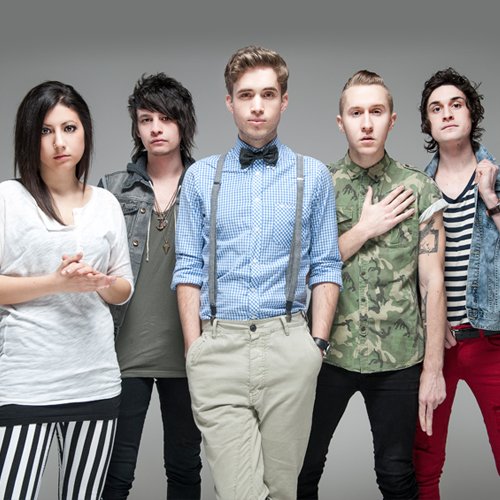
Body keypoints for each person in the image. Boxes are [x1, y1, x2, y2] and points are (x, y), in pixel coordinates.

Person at [172, 45, 343, 500]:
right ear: (230, 102)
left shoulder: (313, 175)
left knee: (283, 491)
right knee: (239, 493)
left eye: (268, 94)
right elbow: (188, 267)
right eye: (246, 95)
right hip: (218, 348)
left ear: (284, 101)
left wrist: (316, 346)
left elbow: (327, 265)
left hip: (288, 346)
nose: (257, 106)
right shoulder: (200, 176)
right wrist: (194, 349)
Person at [298, 70, 448, 500]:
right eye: (356, 113)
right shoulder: (319, 186)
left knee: (396, 475)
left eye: (376, 112)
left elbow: (433, 283)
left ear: (392, 120)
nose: (366, 123)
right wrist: (364, 229)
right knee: (302, 470)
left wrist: (433, 369)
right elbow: (301, 273)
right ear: (340, 121)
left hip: (399, 359)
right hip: (327, 354)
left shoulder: (419, 188)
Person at [0, 81, 133, 500]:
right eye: (46, 130)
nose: (60, 141)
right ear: (29, 136)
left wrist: (100, 283)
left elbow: (124, 286)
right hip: (26, 382)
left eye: (69, 128)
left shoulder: (106, 203)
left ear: (85, 132)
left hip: (95, 381)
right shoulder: (8, 199)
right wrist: (58, 283)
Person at [98, 73, 202, 500]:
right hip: (123, 355)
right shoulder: (110, 190)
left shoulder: (208, 187)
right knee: (115, 474)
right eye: (146, 119)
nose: (156, 128)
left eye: (165, 118)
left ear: (183, 123)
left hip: (189, 354)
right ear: (136, 128)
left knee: (184, 469)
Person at [413, 68, 500, 499]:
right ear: (428, 124)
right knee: (423, 463)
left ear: (471, 114)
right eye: (436, 108)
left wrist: (491, 199)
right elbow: (404, 271)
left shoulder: (497, 179)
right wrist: (430, 324)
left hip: (491, 341)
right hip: (436, 347)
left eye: (456, 104)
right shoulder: (415, 189)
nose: (447, 113)